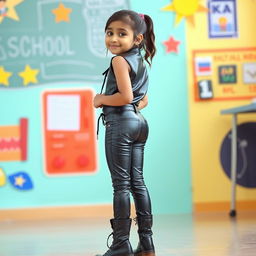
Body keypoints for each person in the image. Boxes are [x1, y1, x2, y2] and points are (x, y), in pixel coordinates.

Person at [94, 9, 156, 256]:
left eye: (122, 33)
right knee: (137, 183)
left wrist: (101, 99)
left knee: (121, 185)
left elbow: (126, 96)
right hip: (139, 124)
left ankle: (121, 244)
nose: (113, 39)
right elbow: (143, 100)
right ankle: (147, 242)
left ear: (137, 38)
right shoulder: (141, 60)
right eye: (110, 33)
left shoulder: (119, 61)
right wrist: (129, 107)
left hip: (120, 126)